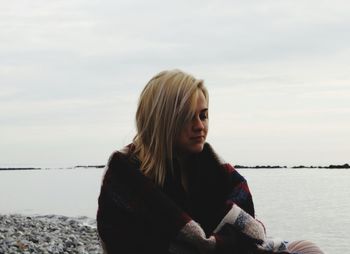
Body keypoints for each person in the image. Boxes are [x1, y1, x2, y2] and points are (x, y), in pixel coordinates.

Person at [97, 70, 324, 254]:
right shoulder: (126, 178)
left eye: (203, 115)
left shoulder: (216, 173)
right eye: (188, 117)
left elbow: (245, 237)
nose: (200, 126)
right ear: (163, 121)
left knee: (306, 249)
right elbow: (125, 243)